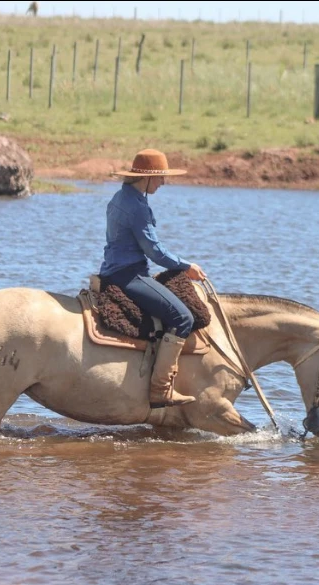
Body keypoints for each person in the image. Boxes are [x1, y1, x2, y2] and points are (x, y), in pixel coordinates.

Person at [99, 149, 207, 409]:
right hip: (129, 275)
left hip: (113, 270)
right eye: (160, 177)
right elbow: (154, 251)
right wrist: (186, 266)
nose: (163, 182)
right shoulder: (136, 207)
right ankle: (161, 389)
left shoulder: (120, 198)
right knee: (183, 317)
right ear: (145, 179)